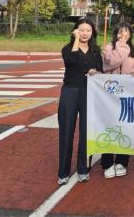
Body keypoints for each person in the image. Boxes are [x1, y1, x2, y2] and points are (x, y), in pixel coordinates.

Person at [58, 17, 102, 185]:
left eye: (88, 30)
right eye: (81, 30)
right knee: (66, 132)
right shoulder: (67, 48)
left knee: (86, 133)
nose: (85, 33)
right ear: (75, 31)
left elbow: (101, 71)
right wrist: (76, 39)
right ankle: (63, 173)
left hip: (88, 93)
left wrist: (95, 72)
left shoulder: (95, 51)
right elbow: (71, 60)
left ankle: (83, 169)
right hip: (69, 92)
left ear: (92, 33)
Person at [101, 21, 134, 179]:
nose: (123, 35)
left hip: (126, 96)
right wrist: (121, 46)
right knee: (108, 127)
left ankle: (122, 162)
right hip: (109, 95)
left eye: (126, 32)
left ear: (130, 34)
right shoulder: (109, 48)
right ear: (115, 34)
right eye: (120, 32)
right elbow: (111, 63)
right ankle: (107, 163)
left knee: (125, 127)